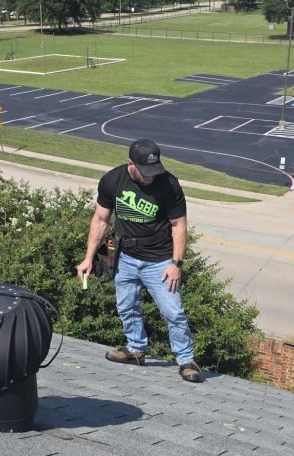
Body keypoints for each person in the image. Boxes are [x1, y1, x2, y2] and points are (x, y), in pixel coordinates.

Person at [76, 139, 202, 383]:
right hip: (125, 257)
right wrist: (88, 258)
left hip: (160, 262)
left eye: (154, 171)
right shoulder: (113, 180)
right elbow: (101, 220)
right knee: (127, 307)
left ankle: (186, 360)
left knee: (173, 312)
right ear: (130, 164)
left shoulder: (169, 185)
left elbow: (179, 225)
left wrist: (176, 263)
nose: (150, 177)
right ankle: (135, 350)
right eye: (145, 172)